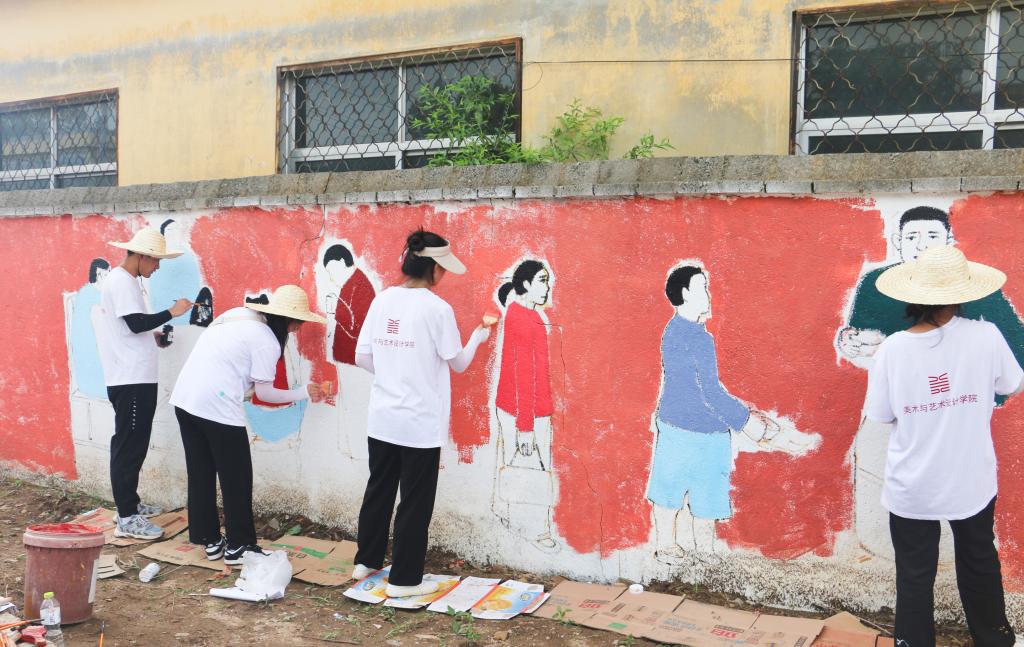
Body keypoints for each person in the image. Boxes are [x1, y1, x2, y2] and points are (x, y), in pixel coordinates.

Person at [864, 245, 1022, 646]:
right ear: (963, 293)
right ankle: (995, 639)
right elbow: (1010, 384)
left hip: (914, 483)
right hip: (971, 478)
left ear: (914, 296)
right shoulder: (986, 336)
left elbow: (881, 414)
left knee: (915, 573)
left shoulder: (893, 350)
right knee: (980, 562)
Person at [351, 230, 493, 597]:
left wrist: (392, 376)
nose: (444, 276)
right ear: (432, 269)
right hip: (419, 423)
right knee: (414, 501)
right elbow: (458, 363)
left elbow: (362, 356)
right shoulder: (436, 308)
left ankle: (365, 561)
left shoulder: (382, 300)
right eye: (442, 268)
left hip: (382, 416)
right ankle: (404, 580)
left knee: (379, 489)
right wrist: (479, 334)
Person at [169, 285, 326, 564]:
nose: (297, 329)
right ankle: (239, 546)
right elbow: (265, 394)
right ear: (290, 320)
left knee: (201, 472)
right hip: (216, 406)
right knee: (237, 478)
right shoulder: (268, 340)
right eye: (298, 323)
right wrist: (304, 392)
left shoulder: (239, 315)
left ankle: (211, 541)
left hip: (185, 398)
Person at [646, 264, 781, 559]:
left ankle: (702, 549)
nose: (708, 294)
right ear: (684, 294)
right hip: (682, 426)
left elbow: (709, 390)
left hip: (705, 428)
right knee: (673, 488)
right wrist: (747, 421)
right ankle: (669, 545)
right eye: (701, 287)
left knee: (706, 493)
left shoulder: (692, 334)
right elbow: (706, 390)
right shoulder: (687, 336)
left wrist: (743, 412)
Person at [94, 228, 192, 540]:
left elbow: (129, 328)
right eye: (156, 261)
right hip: (130, 378)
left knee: (131, 442)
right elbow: (135, 322)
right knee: (129, 446)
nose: (157, 267)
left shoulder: (127, 282)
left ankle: (129, 505)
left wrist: (155, 337)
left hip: (135, 375)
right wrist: (171, 313)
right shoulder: (122, 281)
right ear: (141, 256)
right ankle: (126, 517)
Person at [492, 259, 558, 550]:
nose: (547, 286)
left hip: (521, 408)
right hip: (524, 411)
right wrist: (526, 427)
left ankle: (512, 519)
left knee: (517, 463)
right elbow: (523, 374)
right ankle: (535, 530)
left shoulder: (526, 315)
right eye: (542, 280)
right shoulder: (521, 318)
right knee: (532, 466)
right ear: (526, 284)